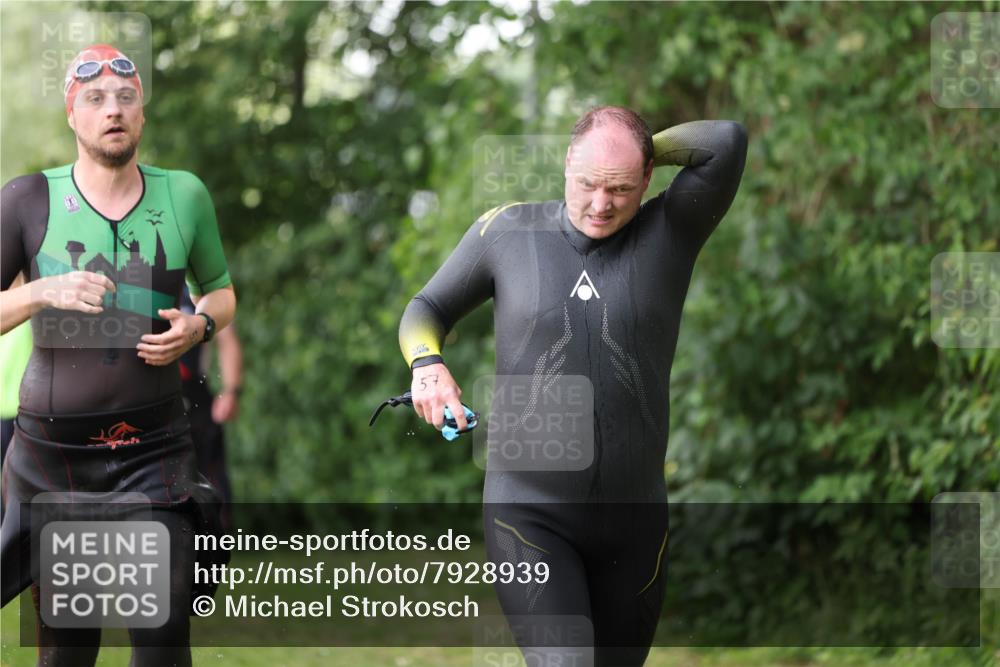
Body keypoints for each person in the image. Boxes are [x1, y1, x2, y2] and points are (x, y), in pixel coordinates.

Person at [399, 107, 747, 665]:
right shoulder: (507, 232)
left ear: (648, 176)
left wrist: (634, 144)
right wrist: (426, 364)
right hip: (529, 514)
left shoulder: (670, 231)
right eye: (587, 182)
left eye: (621, 188)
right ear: (566, 162)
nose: (601, 203)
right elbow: (426, 308)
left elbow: (725, 141)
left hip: (635, 522)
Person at [0, 44, 236, 666]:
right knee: (69, 651)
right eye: (96, 100)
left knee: (161, 639)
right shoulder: (26, 200)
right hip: (56, 461)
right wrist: (44, 290)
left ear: (142, 116)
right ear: (72, 116)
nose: (113, 110)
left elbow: (222, 291)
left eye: (126, 99)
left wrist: (201, 324)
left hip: (153, 456)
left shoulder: (183, 195)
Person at [179, 286, 243, 532]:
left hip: (194, 394)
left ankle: (215, 546)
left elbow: (227, 339)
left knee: (211, 476)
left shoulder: (198, 287)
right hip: (144, 397)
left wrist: (230, 390)